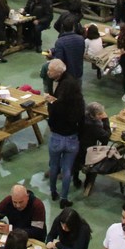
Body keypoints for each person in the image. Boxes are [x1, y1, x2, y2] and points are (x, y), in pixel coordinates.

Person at [45, 59, 83, 207]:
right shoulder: (74, 88)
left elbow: (56, 109)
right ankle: (64, 198)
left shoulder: (63, 88)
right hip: (72, 137)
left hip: (57, 137)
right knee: (67, 169)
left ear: (58, 72)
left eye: (50, 71)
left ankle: (53, 191)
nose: (48, 73)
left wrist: (50, 102)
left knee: (54, 166)